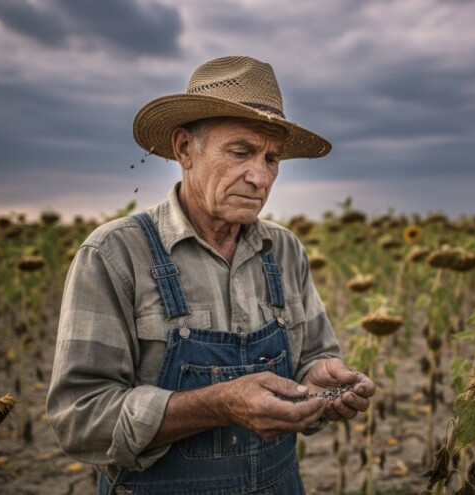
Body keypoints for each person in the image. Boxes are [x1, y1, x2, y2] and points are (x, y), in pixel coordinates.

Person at [46, 56, 375, 494]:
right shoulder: (115, 254)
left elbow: (314, 358)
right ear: (184, 149)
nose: (259, 176)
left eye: (272, 158)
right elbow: (80, 418)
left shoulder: (284, 250)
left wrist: (318, 384)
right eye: (240, 151)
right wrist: (221, 404)